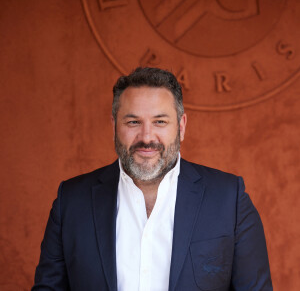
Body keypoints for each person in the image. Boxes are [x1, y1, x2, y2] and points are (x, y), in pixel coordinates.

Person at [32, 67, 272, 291]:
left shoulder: (230, 200)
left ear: (181, 126)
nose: (146, 137)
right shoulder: (71, 201)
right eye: (133, 122)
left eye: (160, 121)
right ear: (114, 125)